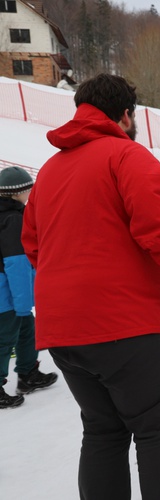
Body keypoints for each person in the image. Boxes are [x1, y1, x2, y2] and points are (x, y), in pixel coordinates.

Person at [21, 73, 160, 500]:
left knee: (103, 432)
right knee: (156, 430)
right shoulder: (127, 157)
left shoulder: (49, 172)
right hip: (126, 328)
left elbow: (33, 245)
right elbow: (159, 229)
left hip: (64, 333)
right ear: (126, 115)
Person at [0, 166, 57, 409]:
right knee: (5, 339)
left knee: (26, 330)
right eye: (28, 190)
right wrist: (23, 303)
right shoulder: (13, 219)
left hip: (11, 294)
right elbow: (17, 264)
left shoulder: (11, 214)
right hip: (7, 296)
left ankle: (27, 373)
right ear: (17, 193)